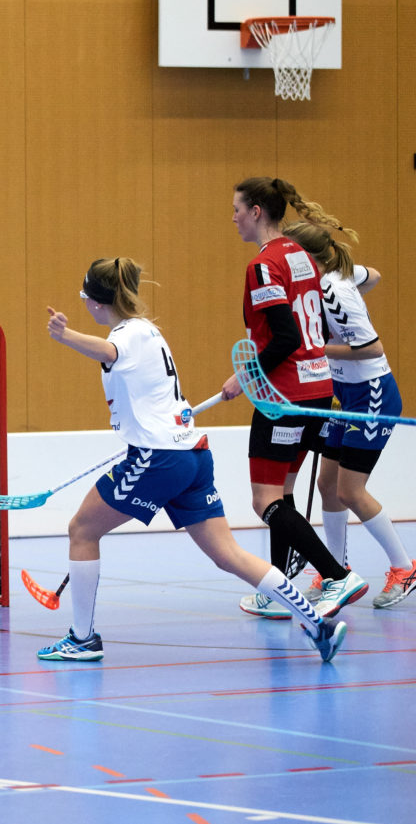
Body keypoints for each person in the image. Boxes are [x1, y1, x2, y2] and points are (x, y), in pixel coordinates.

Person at [37, 257, 345, 663]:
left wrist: (65, 335)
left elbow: (108, 350)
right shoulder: (148, 332)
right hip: (192, 456)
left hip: (160, 458)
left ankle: (81, 639)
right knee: (228, 554)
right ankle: (316, 623)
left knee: (81, 529)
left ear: (96, 302)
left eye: (84, 299)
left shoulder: (127, 335)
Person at [220, 177, 368, 620]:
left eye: (237, 209)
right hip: (318, 391)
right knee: (281, 493)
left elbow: (285, 336)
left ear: (257, 212)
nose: (233, 218)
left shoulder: (263, 266)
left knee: (263, 501)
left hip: (282, 396)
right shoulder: (302, 255)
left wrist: (244, 375)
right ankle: (280, 591)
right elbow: (313, 331)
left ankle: (336, 575)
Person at [282, 221, 415, 609]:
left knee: (349, 491)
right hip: (343, 394)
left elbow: (372, 348)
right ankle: (335, 572)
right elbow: (372, 275)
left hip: (371, 395)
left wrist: (314, 350)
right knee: (327, 485)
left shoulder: (333, 290)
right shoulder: (333, 276)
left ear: (308, 259)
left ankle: (404, 567)